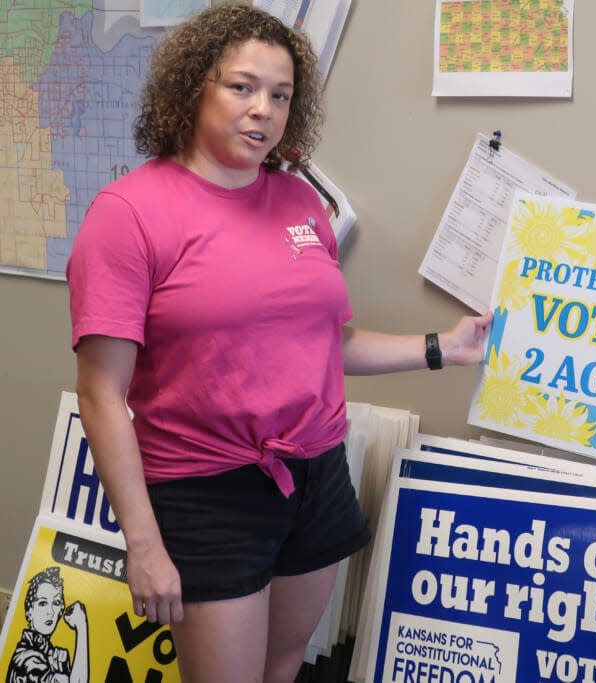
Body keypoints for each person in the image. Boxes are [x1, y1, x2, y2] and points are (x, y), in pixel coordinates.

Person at [66, 5, 492, 682]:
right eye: (242, 87)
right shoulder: (130, 213)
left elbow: (327, 342)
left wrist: (445, 346)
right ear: (193, 88)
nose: (262, 109)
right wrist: (143, 542)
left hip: (316, 472)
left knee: (285, 664)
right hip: (207, 491)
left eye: (281, 94)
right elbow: (101, 393)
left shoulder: (297, 202)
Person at [6, 567, 89, 683]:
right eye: (43, 603)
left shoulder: (46, 653)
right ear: (29, 612)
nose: (50, 611)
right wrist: (81, 627)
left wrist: (62, 671)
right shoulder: (28, 659)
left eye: (56, 603)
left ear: (61, 609)